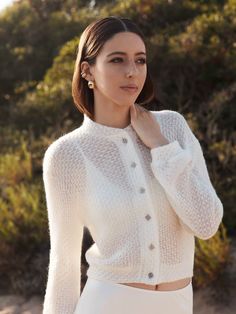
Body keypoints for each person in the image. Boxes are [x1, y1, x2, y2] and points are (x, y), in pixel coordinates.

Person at [42, 16, 224, 314]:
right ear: (87, 69)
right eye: (117, 60)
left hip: (177, 304)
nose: (132, 72)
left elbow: (206, 224)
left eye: (140, 61)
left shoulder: (172, 129)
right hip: (107, 303)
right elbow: (64, 262)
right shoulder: (67, 154)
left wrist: (161, 147)